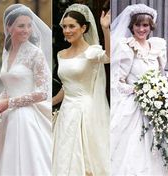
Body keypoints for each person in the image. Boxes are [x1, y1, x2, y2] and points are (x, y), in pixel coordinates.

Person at [0, 4, 52, 175]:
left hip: (24, 117)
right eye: (21, 26)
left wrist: (9, 103)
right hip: (6, 115)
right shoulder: (7, 51)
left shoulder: (35, 54)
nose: (26, 30)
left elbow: (43, 92)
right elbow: (8, 86)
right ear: (9, 27)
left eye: (29, 25)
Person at [52, 3, 110, 176]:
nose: (67, 30)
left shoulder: (91, 52)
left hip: (86, 112)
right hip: (66, 112)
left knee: (87, 162)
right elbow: (67, 86)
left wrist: (105, 29)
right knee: (64, 159)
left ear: (83, 28)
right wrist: (51, 102)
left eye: (72, 26)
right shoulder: (61, 54)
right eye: (65, 27)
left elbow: (109, 57)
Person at [111, 4, 168, 175]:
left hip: (156, 105)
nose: (141, 29)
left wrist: (160, 90)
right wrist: (139, 90)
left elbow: (161, 74)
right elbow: (117, 82)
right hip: (134, 105)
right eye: (138, 25)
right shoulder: (126, 47)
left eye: (145, 25)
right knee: (133, 151)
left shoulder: (157, 47)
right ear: (132, 26)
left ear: (151, 27)